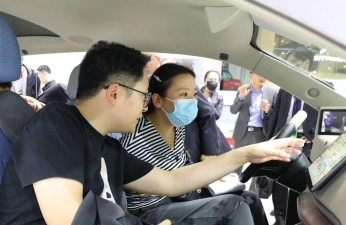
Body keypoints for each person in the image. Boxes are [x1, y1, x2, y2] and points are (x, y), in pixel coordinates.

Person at [0, 41, 304, 225]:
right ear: (115, 94)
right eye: (144, 96)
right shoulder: (56, 127)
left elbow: (171, 181)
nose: (146, 106)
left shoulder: (106, 145)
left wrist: (247, 153)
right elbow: (68, 220)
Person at [120, 63, 269, 225]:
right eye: (184, 94)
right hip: (150, 209)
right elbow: (172, 181)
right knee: (234, 207)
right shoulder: (136, 139)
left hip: (176, 197)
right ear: (157, 100)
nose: (191, 102)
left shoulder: (178, 127)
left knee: (250, 199)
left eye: (193, 95)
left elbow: (180, 167)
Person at [265, 46, 319, 225]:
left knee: (301, 186)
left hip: (306, 144)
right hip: (283, 141)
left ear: (306, 63)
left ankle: (295, 220)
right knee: (280, 184)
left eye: (294, 63)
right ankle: (280, 219)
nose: (290, 67)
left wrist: (314, 137)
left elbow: (328, 118)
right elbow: (277, 117)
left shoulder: (321, 89)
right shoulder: (285, 89)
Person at [230, 72, 279, 174]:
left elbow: (275, 116)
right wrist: (241, 97)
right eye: (259, 74)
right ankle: (233, 187)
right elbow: (233, 110)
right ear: (251, 75)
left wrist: (268, 110)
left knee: (259, 165)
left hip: (260, 134)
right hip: (242, 133)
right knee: (236, 164)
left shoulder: (272, 92)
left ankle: (256, 188)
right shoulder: (243, 90)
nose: (262, 77)